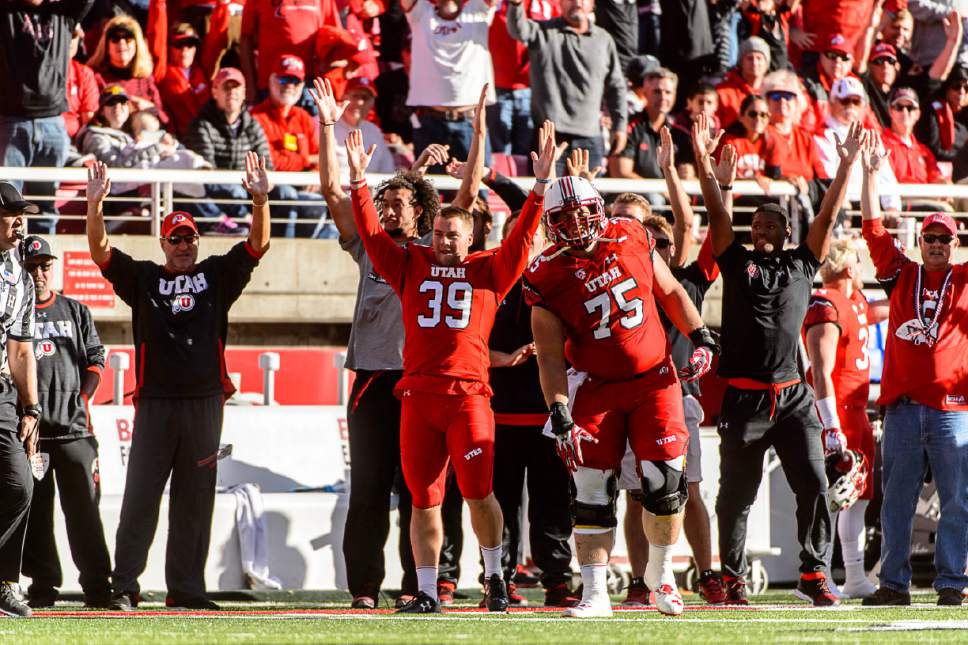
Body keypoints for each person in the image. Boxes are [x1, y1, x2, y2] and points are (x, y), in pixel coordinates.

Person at [343, 97, 556, 615]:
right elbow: (373, 235)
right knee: (423, 500)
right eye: (437, 233)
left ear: (473, 236)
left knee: (480, 494)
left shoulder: (489, 269)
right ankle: (426, 588)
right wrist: (356, 185)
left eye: (452, 235)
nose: (442, 242)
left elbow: (527, 235)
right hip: (418, 395)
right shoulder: (409, 264)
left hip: (467, 396)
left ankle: (494, 577)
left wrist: (541, 187)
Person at [311, 76, 480, 610]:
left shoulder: (434, 253)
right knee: (367, 491)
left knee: (422, 491)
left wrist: (478, 136)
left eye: (399, 202)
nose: (387, 209)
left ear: (422, 212)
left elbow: (469, 196)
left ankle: (423, 582)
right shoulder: (373, 249)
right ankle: (364, 588)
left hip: (421, 383)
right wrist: (324, 127)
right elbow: (333, 193)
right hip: (371, 380)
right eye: (383, 201)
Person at [525, 164, 719, 616]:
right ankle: (595, 593)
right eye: (564, 219)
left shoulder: (631, 233)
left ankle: (661, 573)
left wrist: (702, 336)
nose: (575, 225)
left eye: (581, 214)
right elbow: (550, 356)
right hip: (595, 387)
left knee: (666, 485)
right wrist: (558, 410)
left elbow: (669, 290)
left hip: (656, 380)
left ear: (597, 209)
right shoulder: (546, 274)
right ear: (551, 226)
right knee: (591, 492)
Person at [85, 154, 271, 611]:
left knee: (196, 501)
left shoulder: (216, 275)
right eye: (176, 239)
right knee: (141, 498)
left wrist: (261, 200)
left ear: (198, 241)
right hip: (155, 403)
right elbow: (100, 252)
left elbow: (257, 245)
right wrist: (95, 207)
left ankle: (186, 589)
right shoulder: (144, 278)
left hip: (206, 401)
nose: (184, 247)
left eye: (190, 239)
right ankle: (124, 586)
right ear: (163, 242)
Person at [692, 113, 864, 606]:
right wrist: (706, 165)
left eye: (771, 224)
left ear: (788, 232)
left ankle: (813, 572)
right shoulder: (735, 259)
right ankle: (732, 576)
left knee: (814, 483)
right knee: (735, 498)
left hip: (792, 397)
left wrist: (846, 165)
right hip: (744, 398)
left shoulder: (802, 262)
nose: (762, 229)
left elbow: (828, 217)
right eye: (757, 224)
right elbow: (715, 215)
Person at [618, 125, 726, 607]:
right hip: (624, 393)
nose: (655, 248)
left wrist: (669, 170)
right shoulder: (609, 278)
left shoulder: (685, 280)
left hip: (676, 397)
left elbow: (689, 226)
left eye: (657, 242)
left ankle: (708, 574)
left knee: (691, 491)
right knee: (635, 496)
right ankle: (640, 581)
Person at [859, 137, 968, 607]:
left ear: (956, 242)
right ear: (919, 241)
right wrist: (868, 174)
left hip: (952, 409)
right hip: (903, 409)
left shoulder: (964, 280)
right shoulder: (901, 273)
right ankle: (894, 583)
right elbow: (871, 228)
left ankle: (950, 584)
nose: (938, 245)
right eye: (931, 238)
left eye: (946, 238)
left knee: (958, 503)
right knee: (896, 505)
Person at [20, 235, 112, 609]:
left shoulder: (76, 311)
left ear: (52, 267)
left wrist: (82, 396)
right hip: (32, 435)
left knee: (85, 513)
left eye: (44, 266)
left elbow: (96, 359)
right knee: (36, 516)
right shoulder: (12, 314)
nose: (39, 273)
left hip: (75, 430)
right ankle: (43, 586)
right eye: (31, 267)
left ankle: (98, 586)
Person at [802, 236, 889, 600]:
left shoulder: (853, 301)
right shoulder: (827, 303)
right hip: (837, 412)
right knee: (834, 496)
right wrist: (831, 422)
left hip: (857, 410)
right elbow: (821, 371)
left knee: (859, 495)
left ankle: (854, 574)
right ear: (851, 268)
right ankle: (819, 571)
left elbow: (881, 308)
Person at [0, 0, 92, 233]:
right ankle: (5, 264)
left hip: (53, 123)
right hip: (12, 122)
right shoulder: (8, 11)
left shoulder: (64, 12)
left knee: (46, 206)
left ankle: (41, 264)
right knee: (7, 204)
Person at [507, 0, 627, 172]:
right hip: (549, 137)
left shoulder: (604, 39)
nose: (577, 3)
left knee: (586, 196)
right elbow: (517, 29)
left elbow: (616, 86)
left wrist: (620, 126)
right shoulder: (542, 31)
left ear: (592, 4)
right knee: (548, 195)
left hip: (590, 138)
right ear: (560, 4)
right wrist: (516, 5)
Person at [0, 183, 42, 619]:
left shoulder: (20, 276)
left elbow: (22, 348)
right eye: (11, 213)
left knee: (18, 483)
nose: (19, 221)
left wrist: (30, 410)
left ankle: (3, 581)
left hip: (0, 395)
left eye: (22, 214)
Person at [403, 0, 497, 165]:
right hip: (430, 122)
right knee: (426, 188)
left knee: (478, 187)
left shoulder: (477, 10)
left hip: (471, 122)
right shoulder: (421, 13)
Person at [240, 0, 341, 104]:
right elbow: (246, 38)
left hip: (309, 85)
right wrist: (250, 85)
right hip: (272, 84)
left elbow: (335, 39)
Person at [87, 15, 169, 125]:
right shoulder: (94, 77)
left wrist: (150, 108)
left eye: (128, 38)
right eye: (115, 38)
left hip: (144, 138)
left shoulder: (145, 79)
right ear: (107, 46)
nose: (122, 42)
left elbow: (165, 120)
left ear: (137, 44)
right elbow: (90, 118)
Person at [881, 88, 946, 185]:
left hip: (926, 198)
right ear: (890, 111)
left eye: (910, 108)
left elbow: (936, 178)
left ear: (918, 114)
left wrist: (945, 184)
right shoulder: (881, 144)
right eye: (899, 107)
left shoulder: (924, 151)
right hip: (896, 198)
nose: (905, 112)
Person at [333, 77, 395, 175]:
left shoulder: (374, 131)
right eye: (355, 96)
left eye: (365, 98)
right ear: (344, 97)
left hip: (370, 188)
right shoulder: (327, 125)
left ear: (372, 103)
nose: (360, 102)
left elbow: (387, 169)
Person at [716, 37, 771, 130]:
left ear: (766, 64)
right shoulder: (722, 93)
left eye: (759, 58)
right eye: (750, 58)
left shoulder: (773, 92)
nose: (755, 63)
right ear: (741, 62)